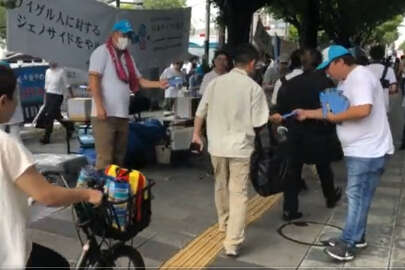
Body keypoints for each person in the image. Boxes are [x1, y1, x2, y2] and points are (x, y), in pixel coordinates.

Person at [295, 45, 394, 261]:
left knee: (357, 196)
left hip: (368, 151)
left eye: (329, 67)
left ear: (340, 61)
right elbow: (335, 110)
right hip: (362, 150)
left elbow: (362, 110)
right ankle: (357, 237)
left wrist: (333, 119)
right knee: (361, 196)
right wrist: (307, 113)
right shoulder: (346, 81)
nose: (327, 72)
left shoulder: (359, 77)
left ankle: (348, 244)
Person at [0, 64, 103, 269]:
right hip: (6, 253)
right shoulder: (6, 145)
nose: (16, 104)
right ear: (3, 101)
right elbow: (47, 195)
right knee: (58, 265)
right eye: (15, 98)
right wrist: (86, 194)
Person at [192, 44, 269, 256]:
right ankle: (232, 242)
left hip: (216, 145)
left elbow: (201, 112)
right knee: (239, 192)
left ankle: (224, 222)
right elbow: (259, 121)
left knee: (220, 184)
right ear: (252, 64)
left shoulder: (216, 83)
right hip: (240, 147)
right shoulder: (253, 88)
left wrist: (196, 135)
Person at [271, 48, 343, 221]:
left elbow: (280, 112)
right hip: (319, 135)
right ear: (321, 63)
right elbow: (337, 110)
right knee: (324, 168)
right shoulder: (326, 83)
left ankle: (290, 209)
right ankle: (330, 197)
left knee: (292, 172)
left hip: (294, 136)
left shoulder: (289, 84)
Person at [88, 19, 168, 170]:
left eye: (129, 35)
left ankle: (115, 190)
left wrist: (158, 84)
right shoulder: (101, 52)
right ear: (114, 34)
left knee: (119, 157)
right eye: (123, 34)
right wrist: (99, 106)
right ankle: (101, 191)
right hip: (105, 114)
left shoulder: (127, 58)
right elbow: (94, 80)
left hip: (122, 115)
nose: (126, 38)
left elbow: (140, 81)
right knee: (105, 157)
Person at [39, 62, 74, 144]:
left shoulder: (61, 71)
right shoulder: (47, 71)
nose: (50, 63)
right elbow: (46, 86)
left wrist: (72, 96)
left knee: (50, 115)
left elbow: (67, 85)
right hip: (49, 95)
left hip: (57, 96)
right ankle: (69, 126)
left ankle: (46, 137)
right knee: (56, 115)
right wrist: (45, 98)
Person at [367, 45, 398, 113]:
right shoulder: (389, 70)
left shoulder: (364, 69)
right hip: (383, 104)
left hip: (367, 104)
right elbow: (393, 88)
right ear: (383, 55)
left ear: (371, 55)